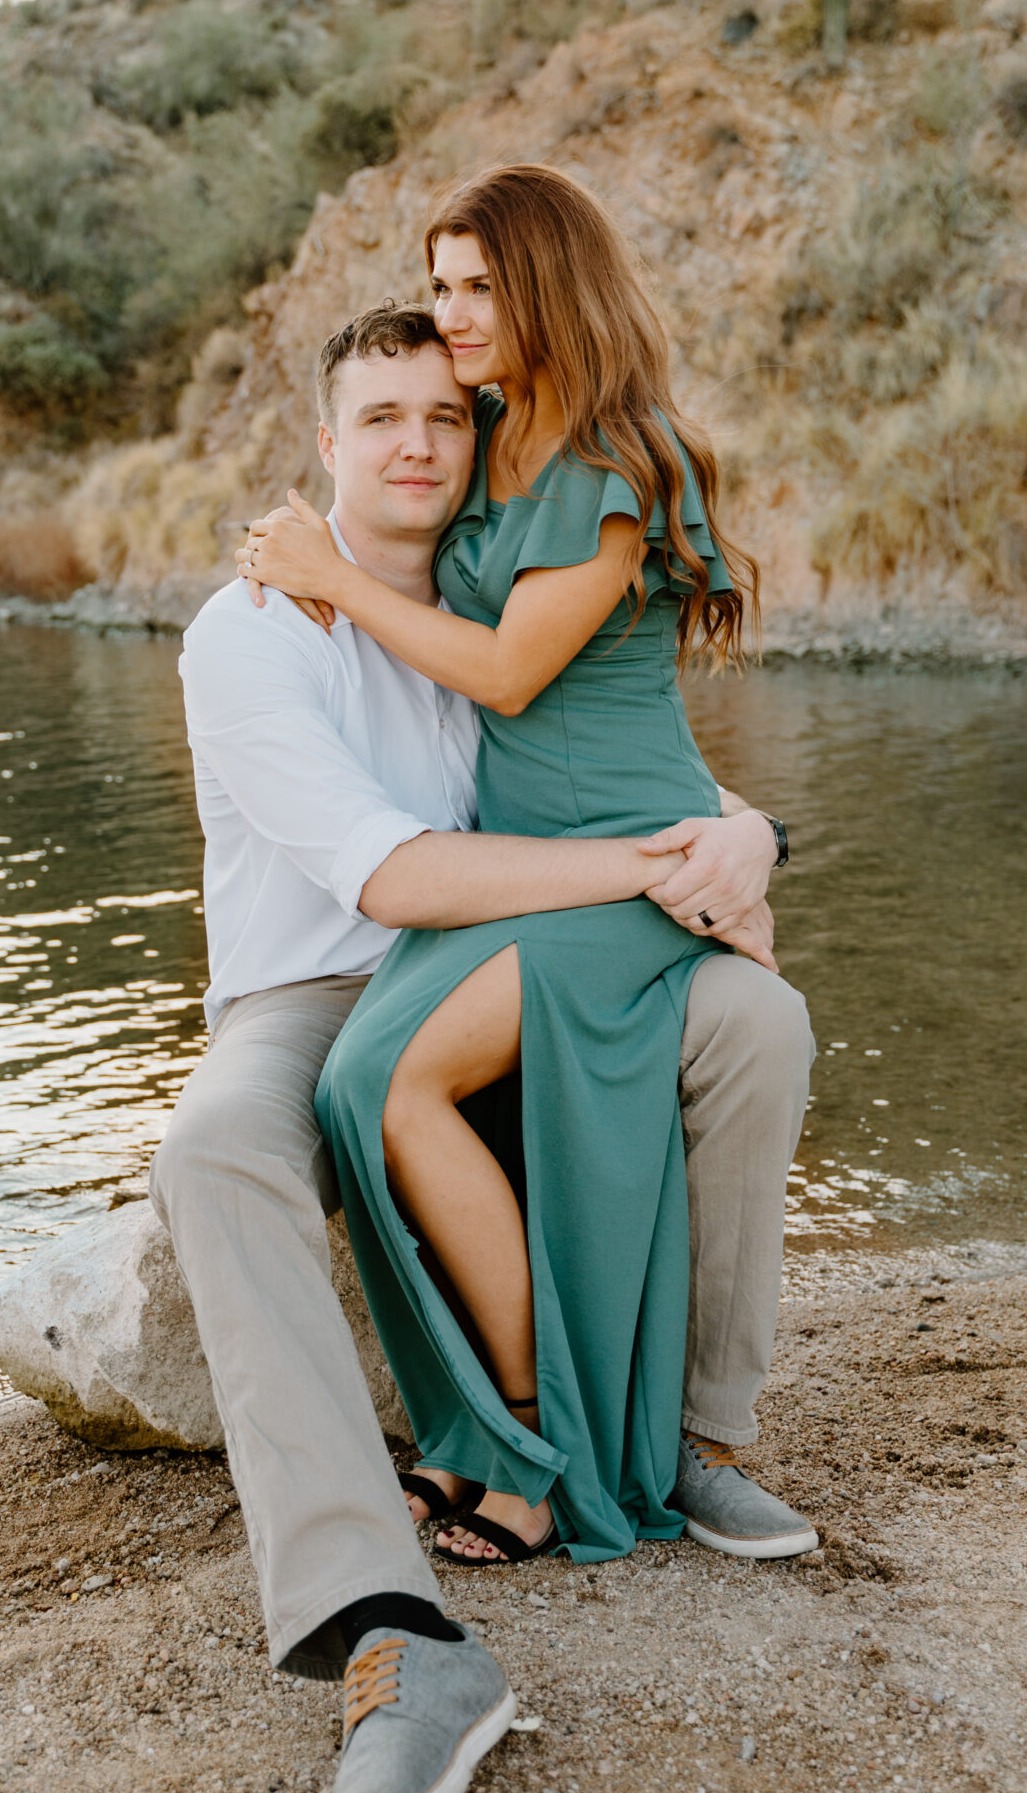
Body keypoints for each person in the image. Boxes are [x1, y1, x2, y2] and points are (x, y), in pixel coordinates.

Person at [152, 293, 814, 1793]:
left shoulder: (486, 595)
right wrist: (636, 874)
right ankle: (384, 1621)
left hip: (508, 964)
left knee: (756, 1026)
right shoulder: (251, 632)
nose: (416, 444)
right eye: (380, 417)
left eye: (444, 417)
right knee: (214, 1148)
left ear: (480, 439)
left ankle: (686, 1446)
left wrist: (748, 835)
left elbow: (615, 744)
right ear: (325, 445)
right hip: (314, 987)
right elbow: (390, 879)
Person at [239, 164, 779, 1583]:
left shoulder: (613, 461)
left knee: (406, 1082)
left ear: (547, 284)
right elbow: (388, 450)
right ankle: (472, 1421)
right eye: (444, 286)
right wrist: (315, 556)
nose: (456, 315)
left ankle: (533, 1446)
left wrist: (333, 578)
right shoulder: (497, 427)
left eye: (482, 286)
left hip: (620, 859)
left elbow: (508, 666)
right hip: (542, 855)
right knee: (358, 1083)